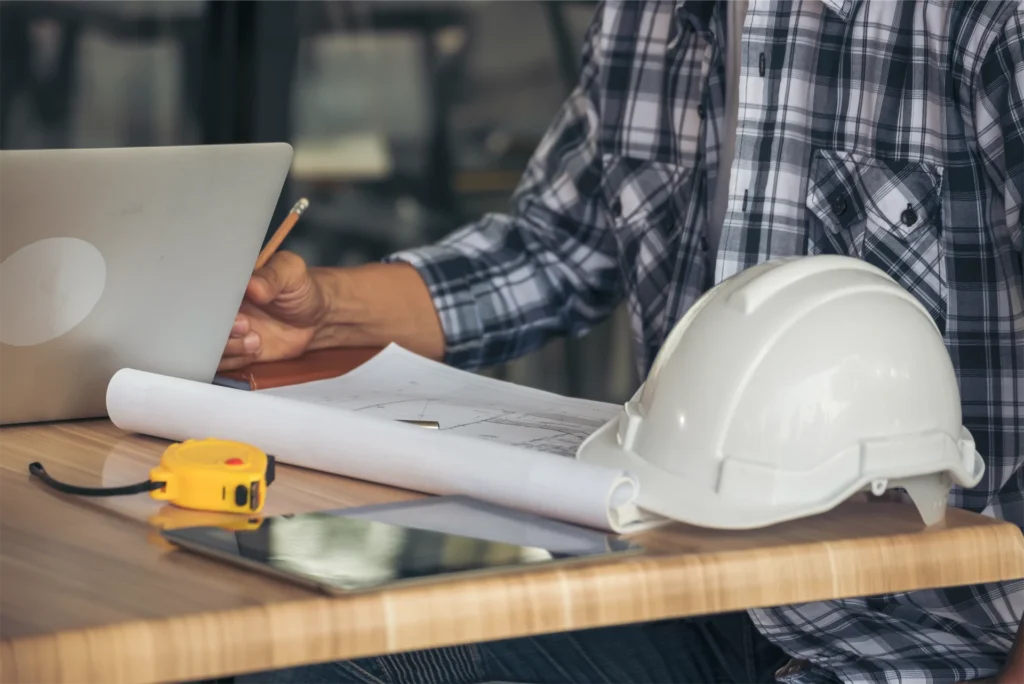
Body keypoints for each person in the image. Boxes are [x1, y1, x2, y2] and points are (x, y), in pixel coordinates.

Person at [224, 0, 1024, 682]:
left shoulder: (989, 22)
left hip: (927, 639)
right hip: (672, 584)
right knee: (306, 665)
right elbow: (559, 245)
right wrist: (328, 313)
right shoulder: (645, 16)